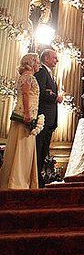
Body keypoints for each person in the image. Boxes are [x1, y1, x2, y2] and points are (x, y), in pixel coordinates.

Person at [0, 53, 42, 189]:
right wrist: (27, 114)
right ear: (31, 62)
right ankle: (18, 181)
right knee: (23, 147)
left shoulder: (26, 77)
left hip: (27, 114)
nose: (38, 65)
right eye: (37, 62)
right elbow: (25, 94)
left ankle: (19, 179)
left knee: (23, 147)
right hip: (25, 116)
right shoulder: (28, 77)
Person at [35, 49, 62, 187]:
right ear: (46, 58)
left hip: (49, 119)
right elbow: (41, 91)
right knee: (39, 148)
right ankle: (36, 177)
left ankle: (39, 176)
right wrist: (54, 96)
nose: (56, 60)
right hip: (43, 118)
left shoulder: (49, 73)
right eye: (54, 58)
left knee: (44, 149)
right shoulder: (41, 72)